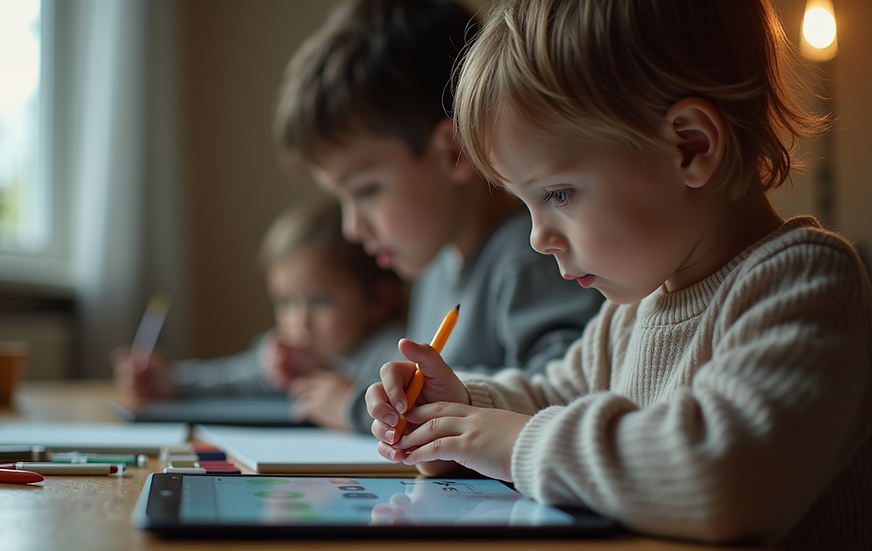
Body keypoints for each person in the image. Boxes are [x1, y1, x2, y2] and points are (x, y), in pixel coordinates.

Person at [365, 0, 872, 548]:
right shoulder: (628, 317)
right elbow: (556, 398)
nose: (537, 238)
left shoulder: (807, 283)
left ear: (690, 146)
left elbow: (723, 477)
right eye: (526, 204)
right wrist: (457, 413)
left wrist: (516, 444)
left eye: (559, 194)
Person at [272, 0, 604, 433]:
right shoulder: (439, 265)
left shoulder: (534, 254)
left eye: (367, 191)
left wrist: (353, 406)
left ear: (453, 152)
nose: (353, 227)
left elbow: (563, 400)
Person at [113, 197, 404, 429]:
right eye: (286, 302)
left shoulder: (392, 353)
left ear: (378, 300)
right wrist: (172, 382)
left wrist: (343, 396)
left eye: (322, 300)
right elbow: (230, 378)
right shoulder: (289, 357)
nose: (299, 321)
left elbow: (404, 413)